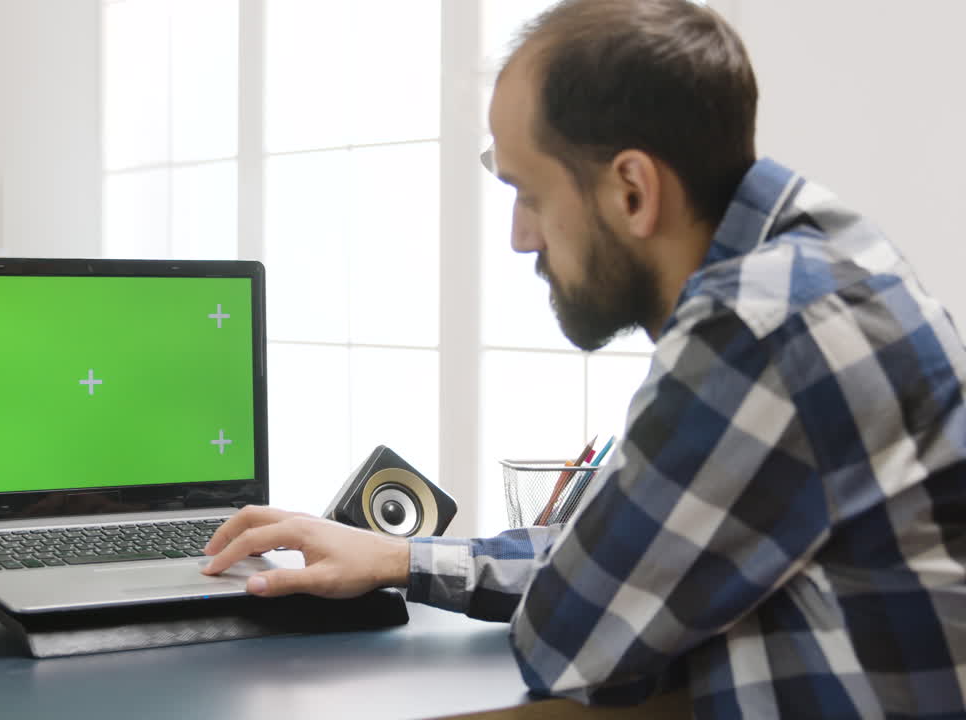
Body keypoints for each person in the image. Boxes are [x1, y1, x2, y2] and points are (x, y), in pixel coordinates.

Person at [202, 0, 966, 715]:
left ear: (631, 190)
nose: (519, 237)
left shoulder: (762, 326)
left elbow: (570, 637)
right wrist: (402, 557)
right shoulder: (826, 257)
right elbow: (609, 560)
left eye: (529, 193)